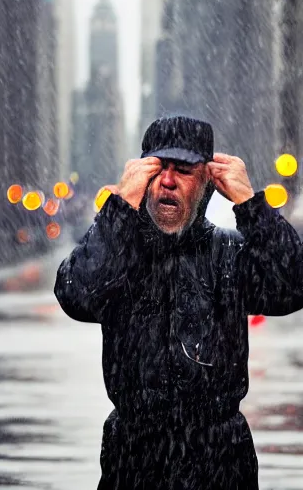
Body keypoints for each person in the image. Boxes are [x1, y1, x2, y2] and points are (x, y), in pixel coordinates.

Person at [54, 116, 303, 490]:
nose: (168, 181)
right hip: (134, 460)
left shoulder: (229, 253)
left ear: (207, 182)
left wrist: (252, 206)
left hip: (220, 461)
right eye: (157, 169)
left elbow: (293, 285)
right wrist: (120, 206)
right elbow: (76, 293)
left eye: (183, 170)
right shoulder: (121, 251)